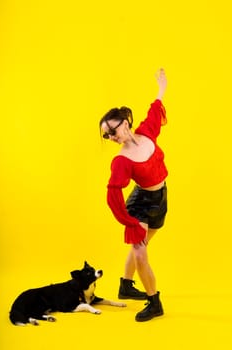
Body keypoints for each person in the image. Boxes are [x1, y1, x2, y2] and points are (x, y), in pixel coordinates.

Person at [99, 68, 168, 322]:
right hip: (139, 205)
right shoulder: (121, 160)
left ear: (125, 123)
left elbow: (155, 111)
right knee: (140, 252)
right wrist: (129, 222)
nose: (111, 137)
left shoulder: (146, 132)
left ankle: (126, 286)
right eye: (107, 135)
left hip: (160, 199)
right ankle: (154, 302)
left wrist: (161, 87)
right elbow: (113, 194)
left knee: (142, 246)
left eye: (112, 131)